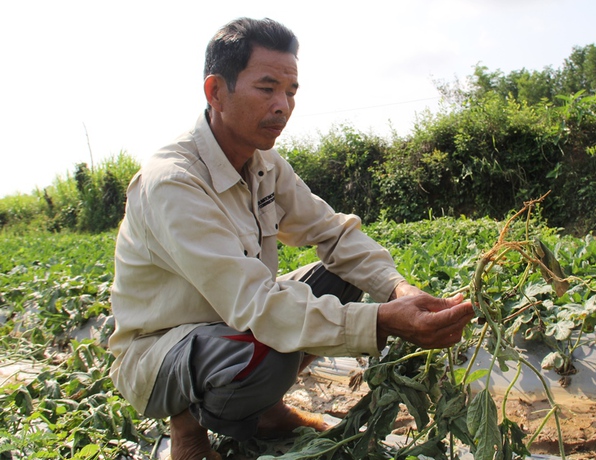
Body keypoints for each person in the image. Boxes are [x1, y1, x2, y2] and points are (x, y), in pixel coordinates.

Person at [108, 17, 475, 460]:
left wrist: (399, 290)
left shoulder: (265, 162)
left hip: (232, 326)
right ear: (215, 92)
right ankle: (188, 431)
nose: (283, 105)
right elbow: (256, 306)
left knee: (339, 276)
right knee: (272, 349)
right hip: (163, 352)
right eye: (267, 88)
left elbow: (330, 232)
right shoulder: (174, 182)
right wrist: (380, 321)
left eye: (292, 91)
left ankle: (265, 411)